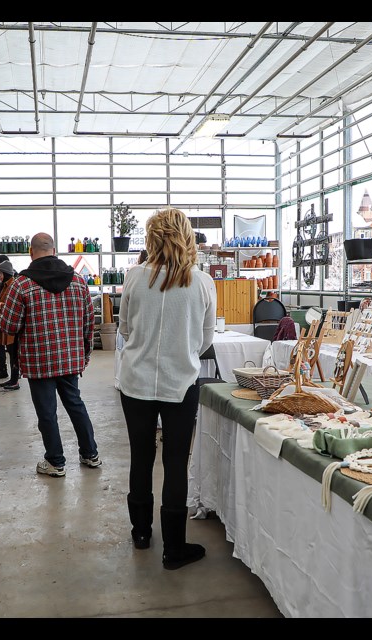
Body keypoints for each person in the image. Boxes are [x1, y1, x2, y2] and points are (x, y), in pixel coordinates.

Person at [117, 207, 216, 570]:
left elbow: (125, 328)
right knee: (176, 461)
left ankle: (141, 532)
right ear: (187, 236)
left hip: (135, 381)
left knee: (140, 455)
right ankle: (174, 548)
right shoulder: (202, 281)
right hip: (181, 382)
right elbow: (205, 341)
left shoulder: (134, 277)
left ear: (152, 238)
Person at [0, 232, 101, 478]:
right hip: (70, 357)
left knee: (47, 411)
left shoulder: (21, 284)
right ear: (54, 250)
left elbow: (9, 327)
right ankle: (91, 454)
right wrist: (83, 355)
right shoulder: (78, 281)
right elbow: (89, 324)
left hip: (38, 359)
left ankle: (55, 461)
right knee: (75, 404)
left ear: (31, 253)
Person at [0, 260, 21, 392]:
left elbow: (14, 304)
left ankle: (15, 381)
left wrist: (1, 306)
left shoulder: (12, 285)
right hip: (3, 322)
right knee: (11, 351)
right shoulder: (3, 285)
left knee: (13, 352)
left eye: (0, 274)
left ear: (6, 273)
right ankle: (12, 379)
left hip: (10, 324)